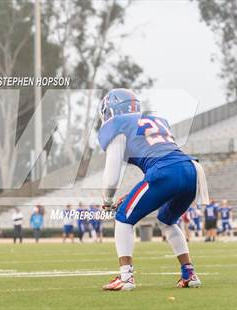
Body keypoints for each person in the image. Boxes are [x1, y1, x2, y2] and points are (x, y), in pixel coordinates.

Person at [98, 89, 208, 291]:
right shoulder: (156, 120)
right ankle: (189, 274)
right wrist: (129, 194)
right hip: (191, 169)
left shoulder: (117, 125)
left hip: (165, 171)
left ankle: (126, 278)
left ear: (111, 110)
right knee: (167, 220)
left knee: (123, 217)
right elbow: (158, 160)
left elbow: (112, 174)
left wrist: (107, 200)